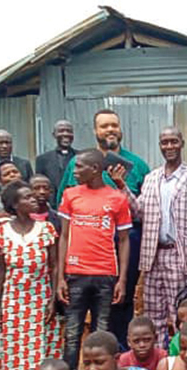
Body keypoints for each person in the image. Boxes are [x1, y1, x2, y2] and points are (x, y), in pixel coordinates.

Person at [57, 109, 152, 349]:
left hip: (126, 240)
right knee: (89, 303)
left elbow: (146, 208)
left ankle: (120, 350)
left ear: (120, 130)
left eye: (114, 125)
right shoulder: (78, 164)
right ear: (95, 131)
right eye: (104, 126)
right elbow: (65, 206)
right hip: (87, 246)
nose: (110, 130)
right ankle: (94, 355)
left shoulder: (138, 165)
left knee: (123, 296)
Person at [55, 149, 133, 370]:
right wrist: (60, 277)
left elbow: (124, 240)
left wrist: (123, 279)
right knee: (72, 332)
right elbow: (64, 236)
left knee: (101, 334)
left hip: (105, 275)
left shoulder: (117, 198)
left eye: (79, 166)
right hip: (75, 274)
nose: (75, 171)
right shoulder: (70, 195)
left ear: (95, 169)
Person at [136, 127, 187, 345]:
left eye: (173, 141)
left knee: (180, 313)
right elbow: (139, 211)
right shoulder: (151, 178)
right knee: (153, 313)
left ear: (182, 143)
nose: (169, 146)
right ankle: (159, 362)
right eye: (164, 142)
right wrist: (121, 187)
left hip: (180, 255)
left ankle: (180, 358)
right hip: (153, 255)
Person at [0, 181, 61, 370]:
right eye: (27, 197)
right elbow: (1, 270)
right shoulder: (3, 231)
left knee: (41, 342)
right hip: (13, 296)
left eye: (33, 196)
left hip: (40, 294)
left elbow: (54, 265)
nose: (34, 199)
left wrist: (53, 300)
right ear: (14, 205)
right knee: (14, 343)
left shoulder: (46, 229)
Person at [35, 119, 76, 204]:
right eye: (61, 131)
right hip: (51, 205)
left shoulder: (80, 157)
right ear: (54, 135)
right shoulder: (42, 159)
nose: (65, 134)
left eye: (69, 131)